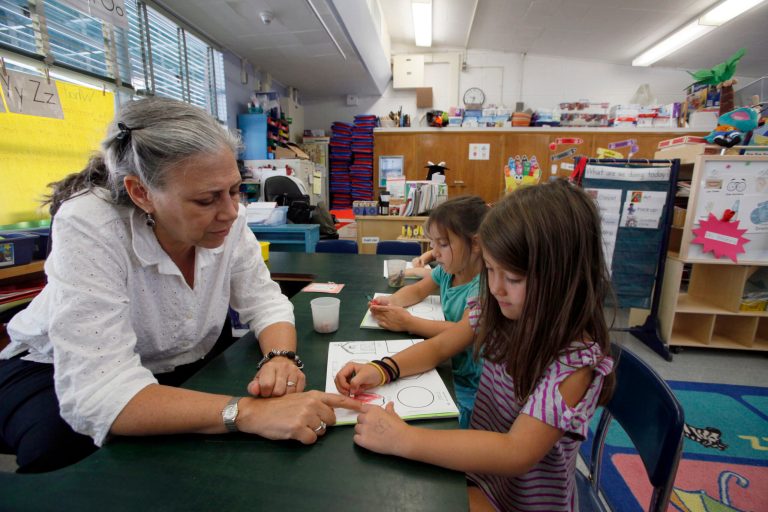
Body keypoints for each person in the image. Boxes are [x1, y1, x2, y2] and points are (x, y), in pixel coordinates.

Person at [0, 97, 359, 473]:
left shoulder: (227, 217)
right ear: (142, 193)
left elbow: (264, 300)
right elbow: (101, 393)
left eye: (235, 191)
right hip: (55, 372)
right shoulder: (91, 223)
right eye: (206, 200)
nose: (231, 212)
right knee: (75, 466)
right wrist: (248, 413)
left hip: (173, 364)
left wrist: (280, 357)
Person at [337, 180, 615, 511]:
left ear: (565, 277)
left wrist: (403, 439)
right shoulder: (499, 309)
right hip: (478, 476)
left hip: (517, 503)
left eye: (512, 278)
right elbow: (440, 348)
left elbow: (515, 452)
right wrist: (382, 369)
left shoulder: (573, 363)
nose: (495, 288)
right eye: (491, 270)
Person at [365, 195, 489, 426]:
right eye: (433, 243)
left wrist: (408, 323)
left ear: (475, 244)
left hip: (470, 384)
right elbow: (418, 290)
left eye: (443, 244)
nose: (435, 252)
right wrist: (392, 301)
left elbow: (462, 331)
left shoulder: (483, 287)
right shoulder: (448, 271)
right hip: (448, 363)